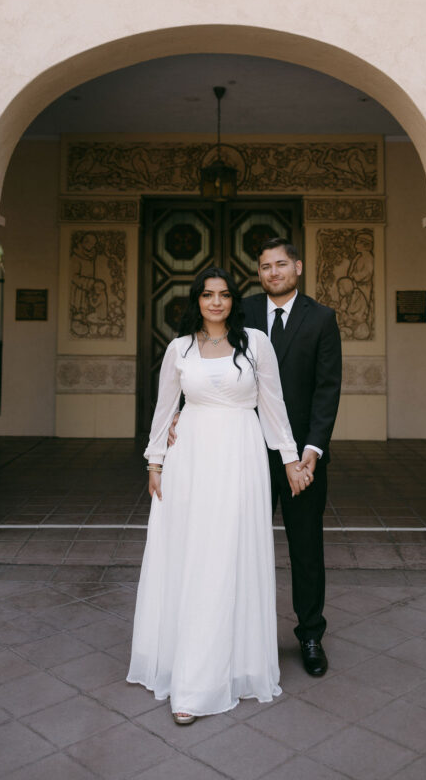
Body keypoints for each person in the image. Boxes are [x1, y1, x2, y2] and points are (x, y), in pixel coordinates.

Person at [126, 266, 311, 725]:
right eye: (207, 295)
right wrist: (154, 461)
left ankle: (235, 666)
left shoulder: (255, 344)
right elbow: (165, 407)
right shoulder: (179, 348)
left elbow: (273, 406)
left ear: (234, 301)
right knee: (194, 557)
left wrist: (289, 458)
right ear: (196, 299)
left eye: (224, 295)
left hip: (241, 459)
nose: (216, 302)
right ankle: (188, 675)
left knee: (230, 555)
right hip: (190, 460)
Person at [243, 238, 342, 677]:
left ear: (298, 267)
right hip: (248, 453)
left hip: (303, 459)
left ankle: (310, 635)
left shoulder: (321, 318)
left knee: (305, 549)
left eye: (281, 264)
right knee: (243, 545)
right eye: (265, 267)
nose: (273, 273)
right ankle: (244, 635)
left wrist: (311, 453)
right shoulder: (241, 312)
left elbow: (327, 388)